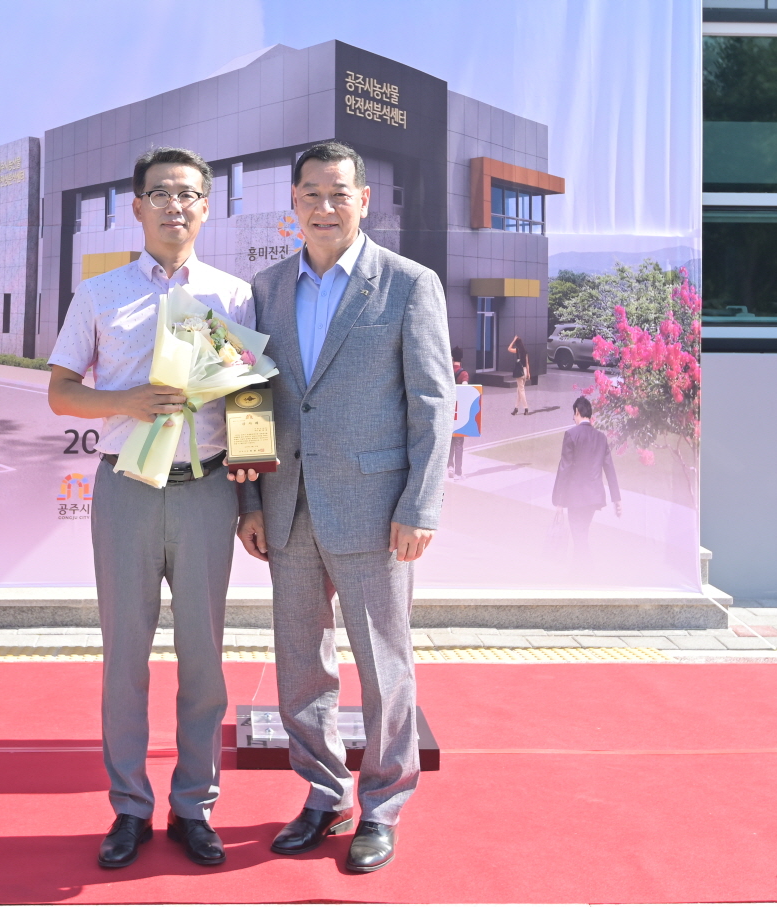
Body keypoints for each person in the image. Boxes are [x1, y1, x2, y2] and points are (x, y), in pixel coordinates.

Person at [229, 141, 451, 873]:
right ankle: (324, 794)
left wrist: (420, 504)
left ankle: (382, 804)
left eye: (339, 193)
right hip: (285, 507)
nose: (325, 207)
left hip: (376, 509)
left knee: (384, 665)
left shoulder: (409, 284)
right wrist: (250, 500)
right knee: (300, 663)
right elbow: (250, 399)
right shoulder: (265, 288)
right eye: (311, 194)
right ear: (293, 202)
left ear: (364, 201)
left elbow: (432, 403)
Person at [46, 148, 252, 870]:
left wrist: (251, 497)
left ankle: (194, 806)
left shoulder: (234, 297)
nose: (175, 205)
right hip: (126, 490)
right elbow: (61, 393)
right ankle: (130, 808)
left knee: (204, 659)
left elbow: (249, 401)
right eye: (161, 193)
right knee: (124, 657)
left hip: (207, 491)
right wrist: (125, 401)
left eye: (188, 194)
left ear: (206, 208)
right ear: (136, 207)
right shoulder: (99, 295)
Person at [552, 395, 622, 556]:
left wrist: (559, 501)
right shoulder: (601, 437)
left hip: (575, 498)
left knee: (579, 539)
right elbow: (609, 469)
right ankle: (579, 568)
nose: (573, 418)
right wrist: (616, 499)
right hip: (594, 498)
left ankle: (585, 568)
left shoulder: (571, 434)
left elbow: (564, 468)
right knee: (581, 536)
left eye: (574, 414)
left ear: (577, 412)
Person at [449, 347, 469, 479]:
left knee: (450, 440)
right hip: (459, 411)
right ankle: (458, 472)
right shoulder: (464, 374)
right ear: (461, 358)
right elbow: (465, 391)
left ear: (452, 357)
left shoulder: (448, 372)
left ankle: (450, 466)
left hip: (448, 411)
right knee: (459, 442)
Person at [508, 334, 530, 415]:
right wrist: (528, 373)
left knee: (521, 391)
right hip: (525, 371)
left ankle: (526, 408)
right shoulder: (525, 351)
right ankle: (516, 409)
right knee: (519, 391)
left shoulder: (517, 350)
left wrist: (513, 340)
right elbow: (527, 363)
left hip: (519, 372)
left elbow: (509, 348)